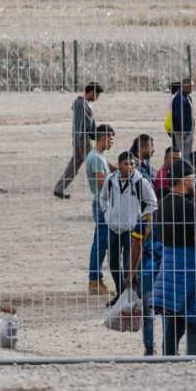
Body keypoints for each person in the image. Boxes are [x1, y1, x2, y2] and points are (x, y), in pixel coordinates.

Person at [151, 160, 196, 356]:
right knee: (195, 319)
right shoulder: (189, 207)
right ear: (185, 180)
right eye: (193, 178)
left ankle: (168, 360)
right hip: (189, 267)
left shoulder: (162, 205)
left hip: (168, 266)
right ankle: (194, 358)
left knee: (173, 325)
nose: (195, 182)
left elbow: (162, 236)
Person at [98, 151, 158, 298]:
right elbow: (103, 198)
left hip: (131, 230)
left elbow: (152, 203)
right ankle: (121, 293)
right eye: (126, 164)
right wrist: (107, 214)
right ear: (119, 165)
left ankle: (130, 295)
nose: (130, 167)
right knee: (113, 263)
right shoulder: (110, 180)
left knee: (128, 264)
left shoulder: (140, 182)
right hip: (113, 228)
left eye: (132, 164)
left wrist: (141, 219)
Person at [53, 82, 103, 199]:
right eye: (97, 95)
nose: (97, 97)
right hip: (82, 140)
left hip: (82, 139)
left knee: (73, 166)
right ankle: (102, 192)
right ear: (91, 92)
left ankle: (59, 189)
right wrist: (80, 142)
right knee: (95, 164)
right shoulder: (80, 104)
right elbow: (79, 124)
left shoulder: (85, 104)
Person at [126, 209, 163, 356]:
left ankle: (149, 347)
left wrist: (130, 273)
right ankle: (169, 347)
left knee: (149, 313)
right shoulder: (177, 217)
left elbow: (136, 247)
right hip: (168, 270)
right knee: (169, 312)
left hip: (147, 273)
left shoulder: (146, 219)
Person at [85, 124, 116, 296]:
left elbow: (110, 169)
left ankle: (96, 279)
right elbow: (101, 181)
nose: (112, 142)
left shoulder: (98, 156)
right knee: (100, 243)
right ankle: (94, 280)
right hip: (102, 205)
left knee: (101, 242)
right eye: (111, 139)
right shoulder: (96, 158)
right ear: (103, 138)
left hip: (101, 204)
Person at [170, 77, 195, 159]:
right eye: (190, 86)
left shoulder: (187, 97)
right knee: (182, 153)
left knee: (187, 152)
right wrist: (182, 130)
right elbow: (178, 115)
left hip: (187, 131)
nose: (192, 88)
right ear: (184, 86)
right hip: (182, 132)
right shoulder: (179, 98)